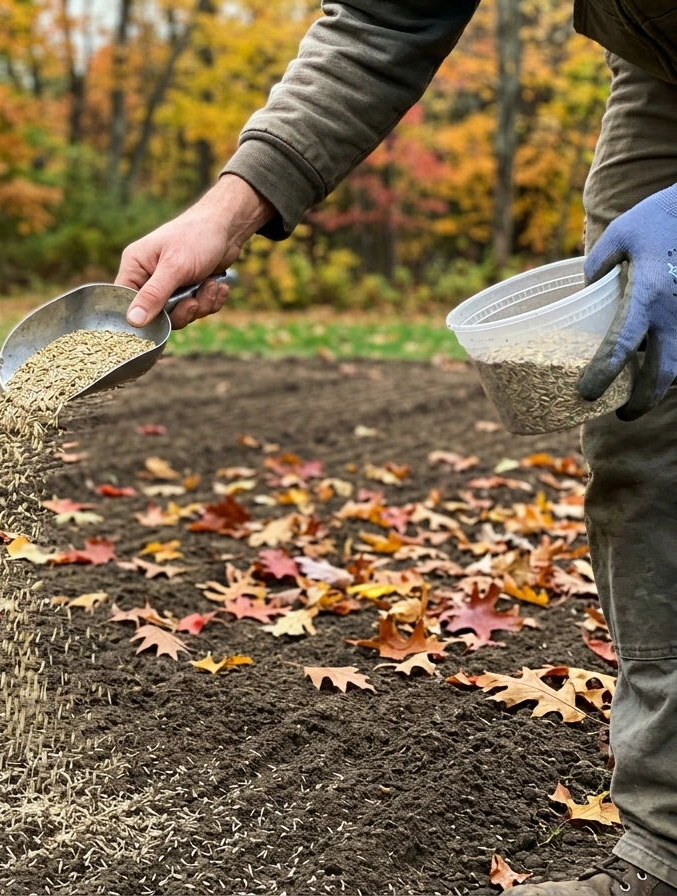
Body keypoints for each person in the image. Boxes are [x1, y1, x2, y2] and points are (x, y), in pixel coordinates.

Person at [116, 4, 677, 894]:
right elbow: (386, 15)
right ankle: (668, 852)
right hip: (665, 62)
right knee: (645, 410)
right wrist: (229, 206)